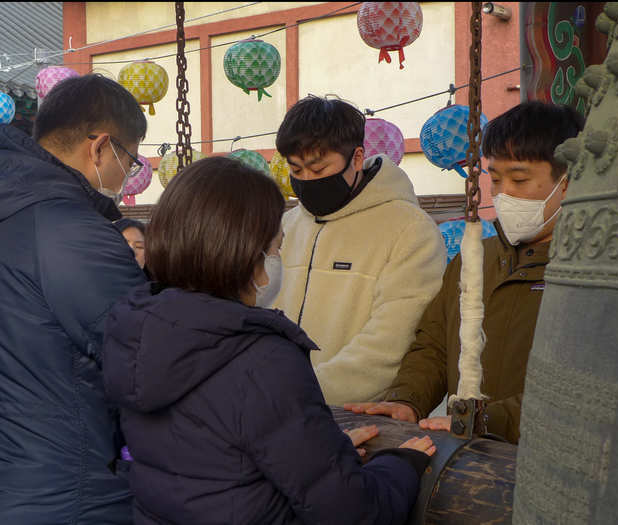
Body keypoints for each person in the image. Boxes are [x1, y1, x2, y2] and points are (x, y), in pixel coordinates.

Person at [102, 156, 436, 525]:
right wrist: (400, 466)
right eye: (276, 248)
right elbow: (352, 511)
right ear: (244, 253)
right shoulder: (261, 358)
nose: (277, 260)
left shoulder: (136, 330)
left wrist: (327, 455)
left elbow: (218, 458)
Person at [345, 101, 585, 444]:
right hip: (467, 456)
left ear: (568, 181)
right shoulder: (474, 261)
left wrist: (488, 420)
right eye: (497, 180)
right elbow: (433, 346)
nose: (503, 195)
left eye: (519, 179)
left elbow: (576, 388)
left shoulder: (589, 275)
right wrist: (407, 400)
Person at [0, 74, 147, 524]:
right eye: (131, 160)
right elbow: (149, 357)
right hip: (66, 490)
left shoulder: (15, 203)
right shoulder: (71, 233)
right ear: (101, 147)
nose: (128, 175)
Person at [273, 95, 446, 405]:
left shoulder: (410, 231)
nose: (307, 181)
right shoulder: (287, 226)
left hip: (359, 417)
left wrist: (301, 392)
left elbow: (390, 342)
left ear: (356, 158)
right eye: (296, 171)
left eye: (318, 168)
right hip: (271, 405)